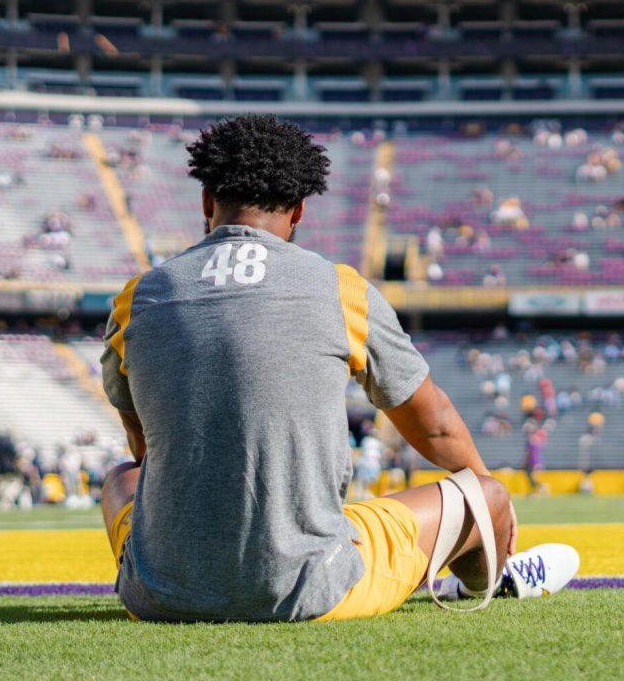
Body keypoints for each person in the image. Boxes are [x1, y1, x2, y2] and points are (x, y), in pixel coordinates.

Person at [99, 116, 577, 623]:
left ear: (206, 200)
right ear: (300, 210)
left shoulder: (136, 299)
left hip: (157, 596)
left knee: (121, 481)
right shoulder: (338, 289)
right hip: (310, 584)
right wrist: (489, 509)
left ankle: (180, 574)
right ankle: (496, 577)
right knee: (489, 495)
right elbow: (432, 420)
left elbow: (146, 449)